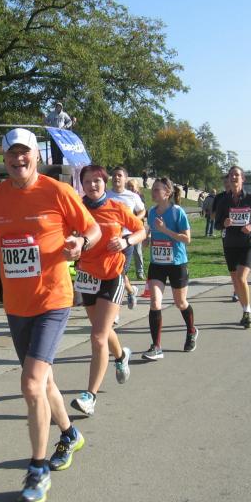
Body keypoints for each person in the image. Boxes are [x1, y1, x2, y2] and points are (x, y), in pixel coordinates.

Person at [0, 127, 101, 502]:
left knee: (30, 383)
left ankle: (38, 469)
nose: (18, 159)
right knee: (44, 380)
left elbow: (92, 228)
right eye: (11, 153)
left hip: (53, 299)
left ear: (36, 156)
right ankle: (69, 434)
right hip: (16, 304)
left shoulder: (58, 191)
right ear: (4, 158)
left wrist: (81, 242)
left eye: (24, 152)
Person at [70, 165, 145, 416]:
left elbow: (141, 230)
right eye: (88, 181)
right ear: (82, 185)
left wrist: (125, 241)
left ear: (105, 183)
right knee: (101, 330)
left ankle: (89, 397)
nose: (93, 185)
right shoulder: (77, 208)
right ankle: (121, 356)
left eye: (97, 181)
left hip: (112, 276)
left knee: (98, 337)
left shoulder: (117, 207)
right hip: (87, 277)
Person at [141, 178, 197, 360]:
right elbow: (150, 232)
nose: (153, 192)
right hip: (157, 264)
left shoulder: (177, 212)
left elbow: (187, 239)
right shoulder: (151, 212)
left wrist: (165, 230)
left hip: (177, 264)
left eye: (157, 190)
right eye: (152, 189)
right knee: (155, 303)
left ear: (167, 193)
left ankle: (191, 331)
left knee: (180, 302)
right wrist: (146, 239)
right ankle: (156, 346)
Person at [214, 166, 251, 328]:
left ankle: (248, 312)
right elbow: (216, 224)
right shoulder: (223, 201)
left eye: (237, 175)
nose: (233, 177)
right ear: (228, 179)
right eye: (231, 175)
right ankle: (244, 311)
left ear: (243, 179)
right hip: (230, 245)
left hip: (248, 244)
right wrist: (224, 223)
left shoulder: (250, 198)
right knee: (236, 282)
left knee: (241, 278)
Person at [107, 166, 146, 307]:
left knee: (120, 271)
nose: (116, 177)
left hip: (127, 238)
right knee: (114, 271)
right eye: (114, 175)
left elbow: (142, 210)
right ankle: (131, 290)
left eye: (119, 175)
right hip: (110, 239)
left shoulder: (132, 196)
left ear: (125, 178)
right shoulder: (105, 195)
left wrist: (134, 220)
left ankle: (114, 308)